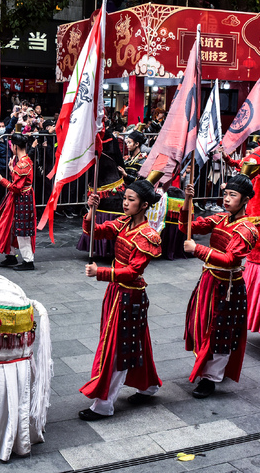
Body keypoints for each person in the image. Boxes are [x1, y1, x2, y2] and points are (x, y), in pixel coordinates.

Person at [78, 180, 163, 420]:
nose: (125, 203)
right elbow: (94, 231)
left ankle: (103, 404)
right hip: (116, 293)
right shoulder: (123, 223)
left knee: (116, 347)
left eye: (131, 200)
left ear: (144, 205)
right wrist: (91, 209)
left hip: (130, 296)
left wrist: (101, 272)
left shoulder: (148, 236)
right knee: (135, 342)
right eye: (125, 198)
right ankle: (148, 386)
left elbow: (134, 271)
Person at [180, 175, 259, 398]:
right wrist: (187, 201)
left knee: (221, 332)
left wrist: (197, 249)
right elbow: (186, 228)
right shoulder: (220, 219)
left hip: (228, 287)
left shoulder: (247, 229)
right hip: (208, 280)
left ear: (245, 200)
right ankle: (207, 367)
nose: (226, 199)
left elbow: (230, 259)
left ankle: (210, 379)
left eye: (232, 195)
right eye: (225, 194)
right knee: (200, 326)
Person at [0, 125, 37, 271]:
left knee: (22, 230)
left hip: (22, 199)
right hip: (18, 199)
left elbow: (16, 187)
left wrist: (2, 180)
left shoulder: (22, 164)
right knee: (10, 226)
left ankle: (28, 260)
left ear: (15, 147)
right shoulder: (23, 162)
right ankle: (11, 256)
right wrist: (12, 170)